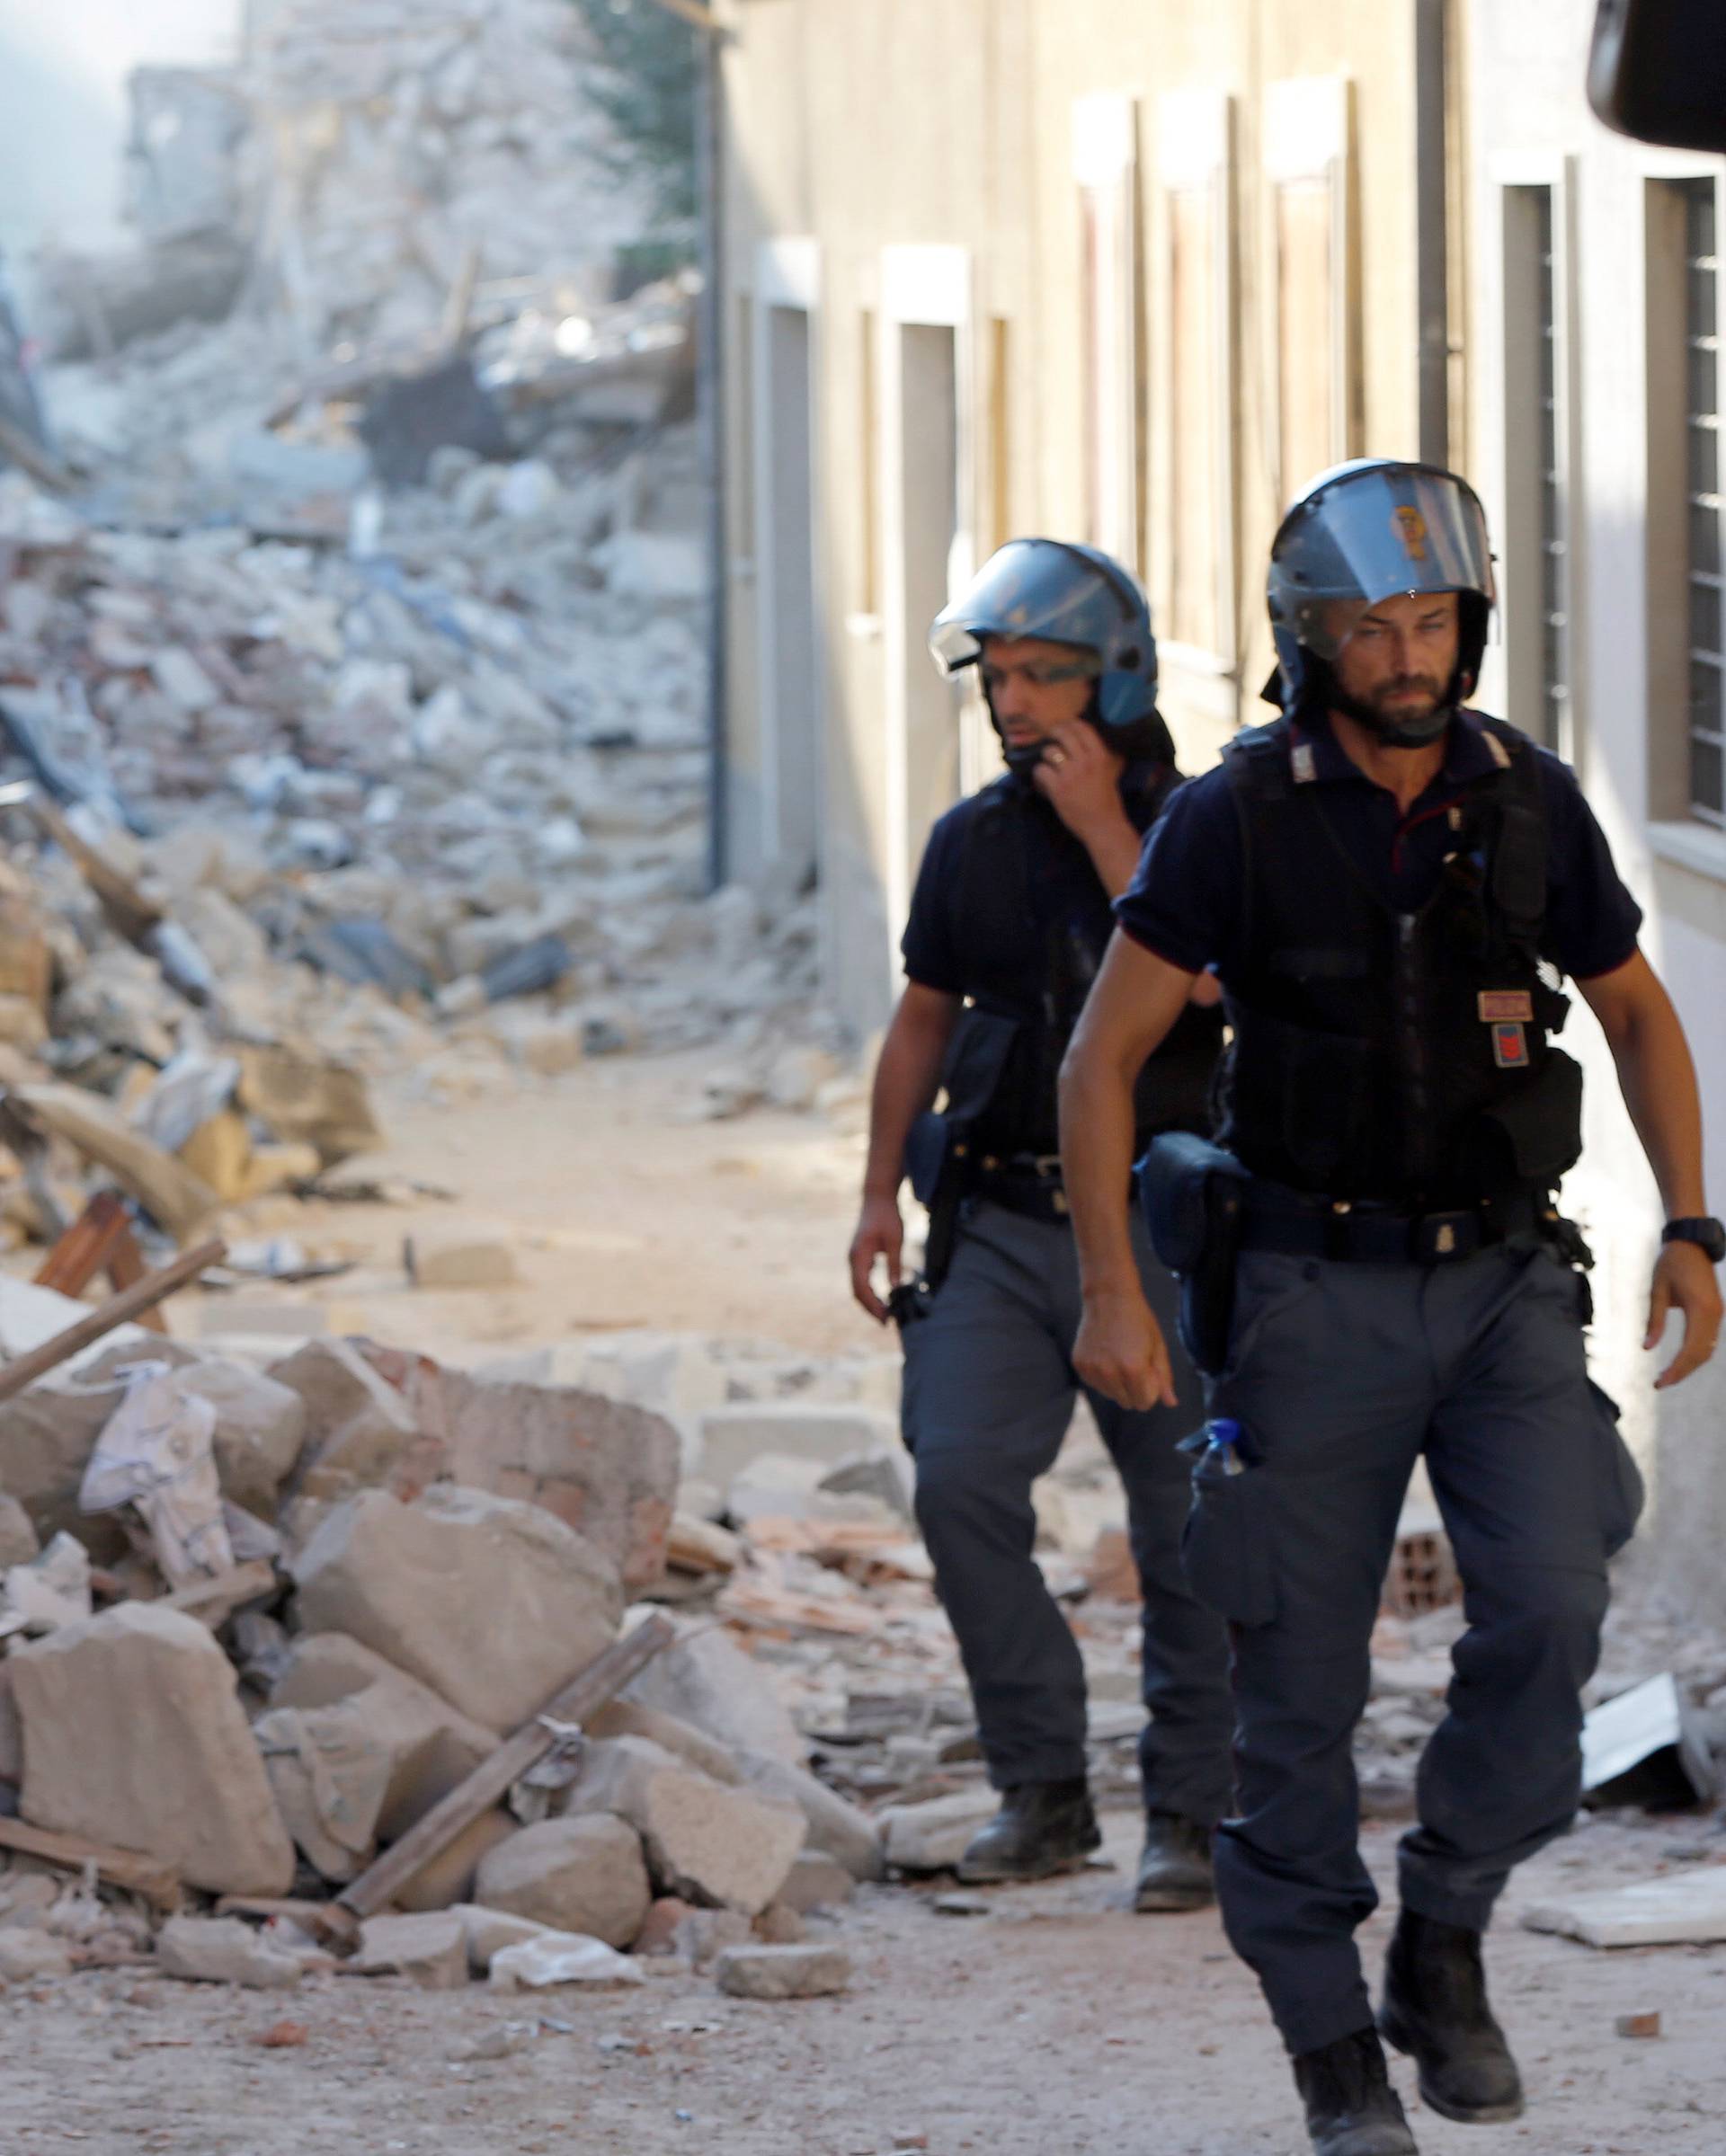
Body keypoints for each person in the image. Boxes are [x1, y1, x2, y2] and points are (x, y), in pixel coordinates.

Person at [1058, 459, 1724, 2155]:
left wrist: (1695, 1226)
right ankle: (1333, 2053)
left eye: (1433, 619)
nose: (1408, 654)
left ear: (1472, 624)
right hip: (1304, 1296)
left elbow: (1640, 1015)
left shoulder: (1528, 797)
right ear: (1312, 642)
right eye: (1372, 627)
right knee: (1296, 1689)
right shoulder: (1237, 818)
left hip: (1505, 1289)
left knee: (1556, 1618)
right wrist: (1115, 1296)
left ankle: (1442, 1929)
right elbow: (1101, 1060)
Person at [848, 537, 1233, 1905]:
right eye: (998, 678)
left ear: (1110, 678)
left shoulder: (1203, 826)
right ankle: (1043, 1790)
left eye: (1042, 677)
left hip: (1163, 1225)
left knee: (1192, 1520)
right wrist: (876, 1193)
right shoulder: (969, 843)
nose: (1013, 705)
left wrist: (1104, 838)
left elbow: (1207, 996)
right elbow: (920, 1020)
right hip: (1003, 1223)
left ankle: (1192, 1813)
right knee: (957, 1483)